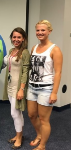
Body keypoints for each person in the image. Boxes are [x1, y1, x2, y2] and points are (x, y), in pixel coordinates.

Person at [27, 20, 63, 150]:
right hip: (32, 87)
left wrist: (54, 92)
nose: (40, 33)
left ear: (49, 31)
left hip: (46, 88)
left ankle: (42, 146)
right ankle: (39, 134)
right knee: (31, 115)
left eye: (43, 30)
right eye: (38, 30)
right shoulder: (34, 48)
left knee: (43, 119)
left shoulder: (55, 49)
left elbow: (58, 73)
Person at [3, 27, 30, 149]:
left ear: (23, 38)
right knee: (17, 113)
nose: (16, 39)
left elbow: (25, 71)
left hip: (18, 87)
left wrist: (21, 89)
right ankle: (18, 135)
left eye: (19, 37)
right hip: (10, 85)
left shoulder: (24, 52)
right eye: (14, 37)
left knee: (14, 113)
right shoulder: (11, 51)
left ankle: (19, 138)